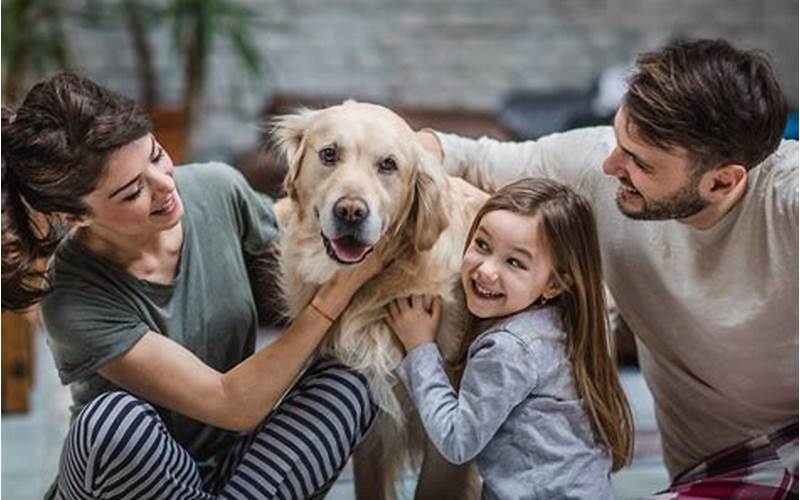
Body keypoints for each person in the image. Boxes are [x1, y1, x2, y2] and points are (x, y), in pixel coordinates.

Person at [417, 38, 798, 497]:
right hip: (713, 472)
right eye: (618, 137)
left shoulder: (785, 201)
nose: (610, 164)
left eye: (638, 162)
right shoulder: (600, 167)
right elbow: (462, 155)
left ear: (722, 181)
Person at [2, 72, 387, 499]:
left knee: (357, 370)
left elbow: (296, 225)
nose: (166, 186)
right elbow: (232, 403)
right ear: (78, 217)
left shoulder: (215, 188)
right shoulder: (72, 298)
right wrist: (339, 292)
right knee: (109, 423)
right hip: (132, 482)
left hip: (240, 476)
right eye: (132, 193)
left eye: (156, 155)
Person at [386, 178, 634, 499]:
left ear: (554, 284)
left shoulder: (508, 348)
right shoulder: (564, 324)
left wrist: (419, 348)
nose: (487, 270)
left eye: (515, 262)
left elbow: (457, 441)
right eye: (482, 245)